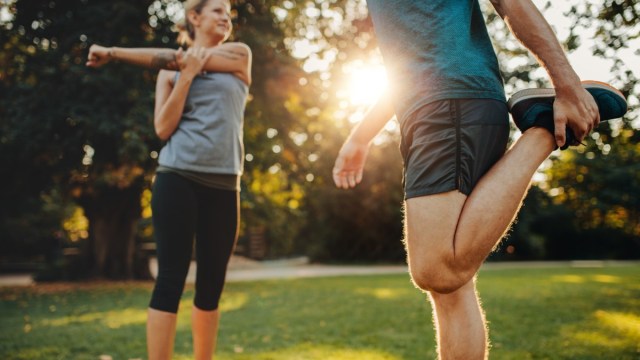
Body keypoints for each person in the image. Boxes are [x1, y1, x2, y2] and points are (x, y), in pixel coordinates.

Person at [332, 1, 626, 359]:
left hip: (450, 104)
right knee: (450, 290)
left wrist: (567, 86)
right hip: (433, 110)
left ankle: (543, 132)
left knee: (436, 270)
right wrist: (361, 137)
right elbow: (404, 69)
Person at [86, 0, 251, 359]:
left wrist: (113, 53)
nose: (226, 18)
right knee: (170, 279)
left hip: (224, 184)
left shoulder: (239, 56)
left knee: (211, 284)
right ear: (195, 17)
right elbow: (163, 128)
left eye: (228, 13)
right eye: (217, 11)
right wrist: (187, 76)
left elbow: (176, 57)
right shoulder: (169, 73)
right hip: (177, 177)